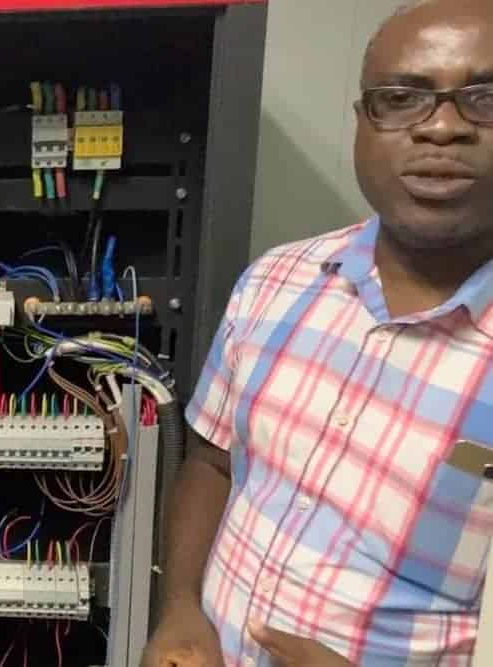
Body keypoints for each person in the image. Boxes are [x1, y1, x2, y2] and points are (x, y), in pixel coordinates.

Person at [142, 0, 493, 665]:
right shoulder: (275, 282)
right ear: (362, 123)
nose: (443, 127)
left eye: (485, 99)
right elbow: (212, 460)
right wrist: (181, 605)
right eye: (402, 98)